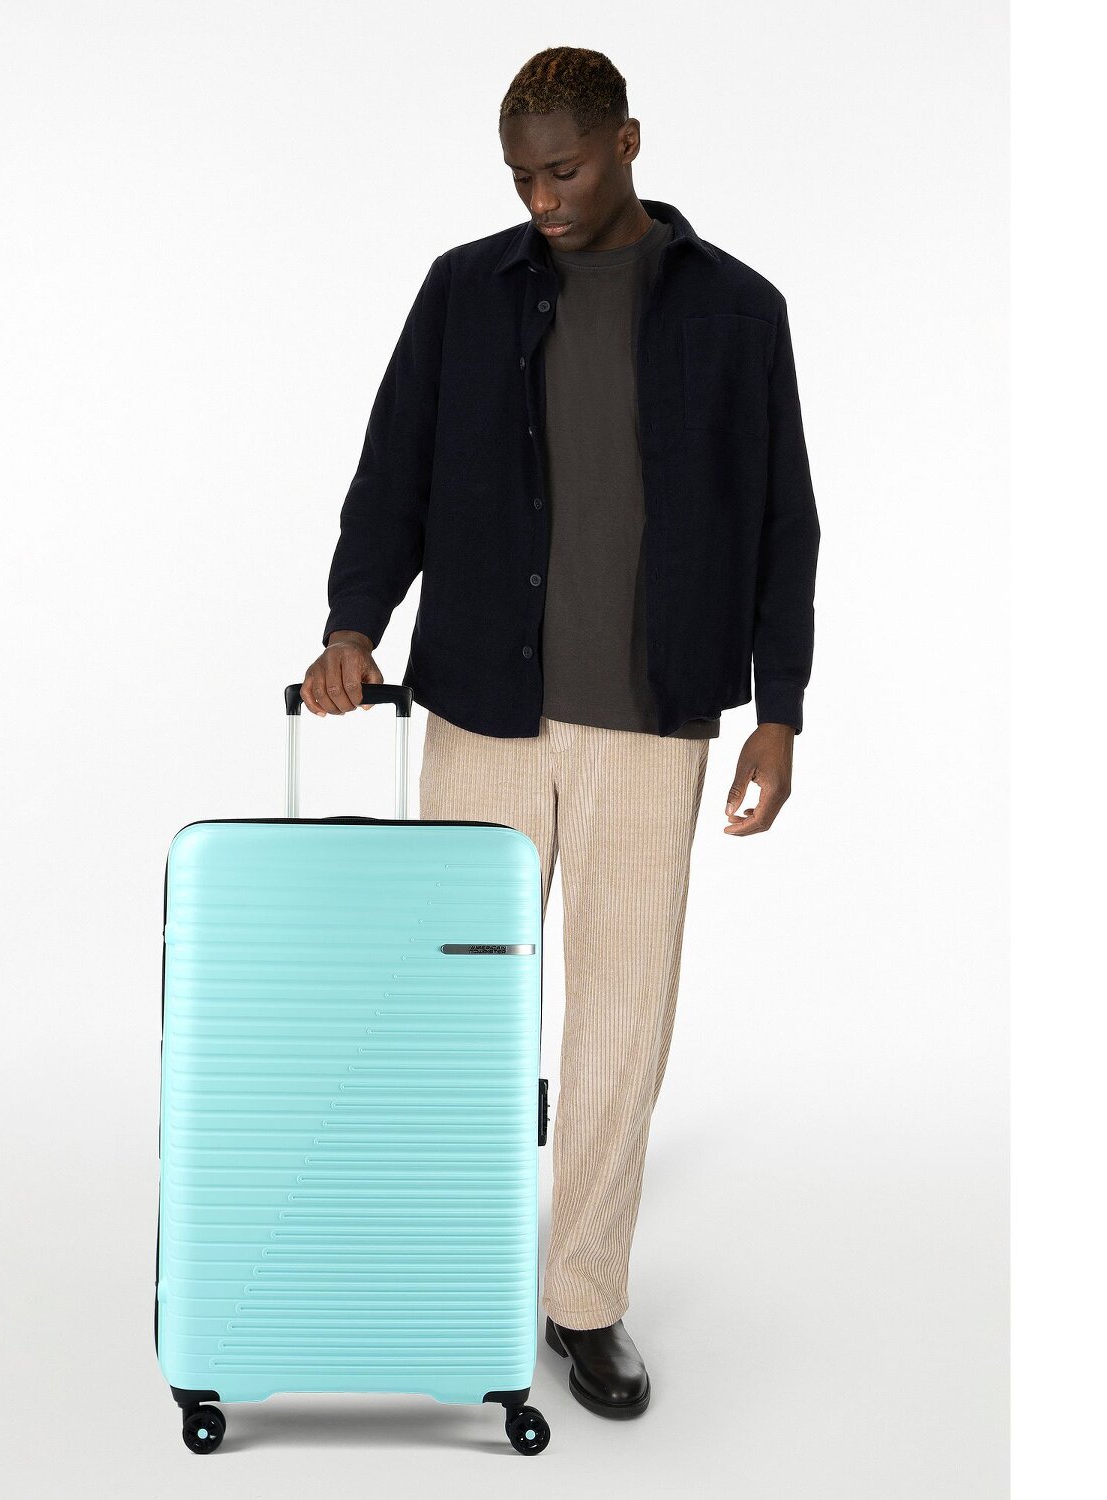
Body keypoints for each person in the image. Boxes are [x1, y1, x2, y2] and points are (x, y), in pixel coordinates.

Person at [301, 46, 820, 1420]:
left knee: (619, 1022)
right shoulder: (464, 291)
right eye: (521, 175)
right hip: (484, 705)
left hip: (654, 718)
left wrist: (779, 711)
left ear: (628, 141)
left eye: (566, 169)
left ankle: (583, 1297)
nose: (541, 198)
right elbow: (393, 469)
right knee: (452, 1006)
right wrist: (354, 623)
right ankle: (447, 1264)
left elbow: (784, 519)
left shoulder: (738, 310)